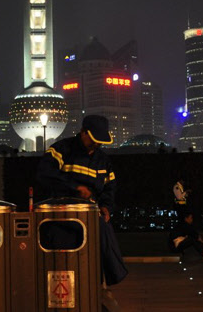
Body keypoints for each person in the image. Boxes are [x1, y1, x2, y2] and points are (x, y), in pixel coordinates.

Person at [37, 115, 128, 294]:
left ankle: (101, 281)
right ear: (83, 133)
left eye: (100, 142)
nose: (97, 145)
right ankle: (112, 275)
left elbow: (110, 188)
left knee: (101, 225)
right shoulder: (62, 149)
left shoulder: (103, 161)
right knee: (93, 230)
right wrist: (75, 187)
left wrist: (106, 207)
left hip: (90, 212)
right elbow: (44, 173)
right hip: (60, 212)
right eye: (94, 141)